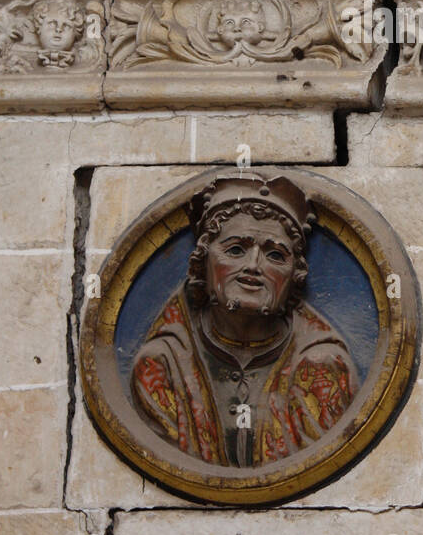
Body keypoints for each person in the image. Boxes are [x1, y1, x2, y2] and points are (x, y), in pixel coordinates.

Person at [131, 174, 358, 467]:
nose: (253, 266)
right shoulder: (162, 368)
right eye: (236, 250)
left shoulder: (325, 369)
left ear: (294, 276)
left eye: (275, 255)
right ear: (203, 263)